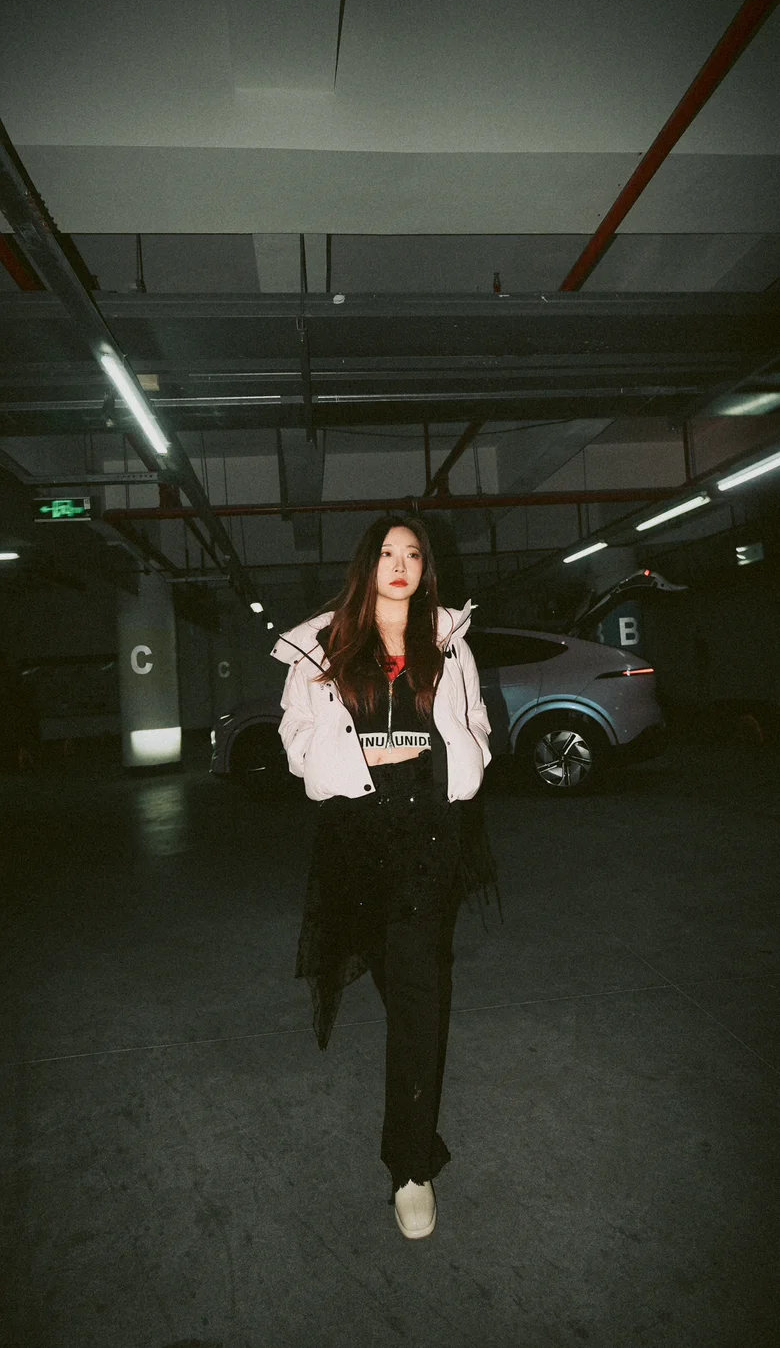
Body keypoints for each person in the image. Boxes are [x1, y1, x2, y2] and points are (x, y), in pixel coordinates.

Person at [270, 514, 499, 1240]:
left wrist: (464, 761)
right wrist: (356, 758)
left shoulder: (448, 642)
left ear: (425, 568)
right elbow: (295, 739)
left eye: (413, 554)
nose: (401, 564)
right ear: (367, 564)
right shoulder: (323, 645)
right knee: (392, 971)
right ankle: (413, 1111)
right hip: (358, 832)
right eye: (388, 553)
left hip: (431, 828)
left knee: (419, 992)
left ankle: (410, 1165)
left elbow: (476, 720)